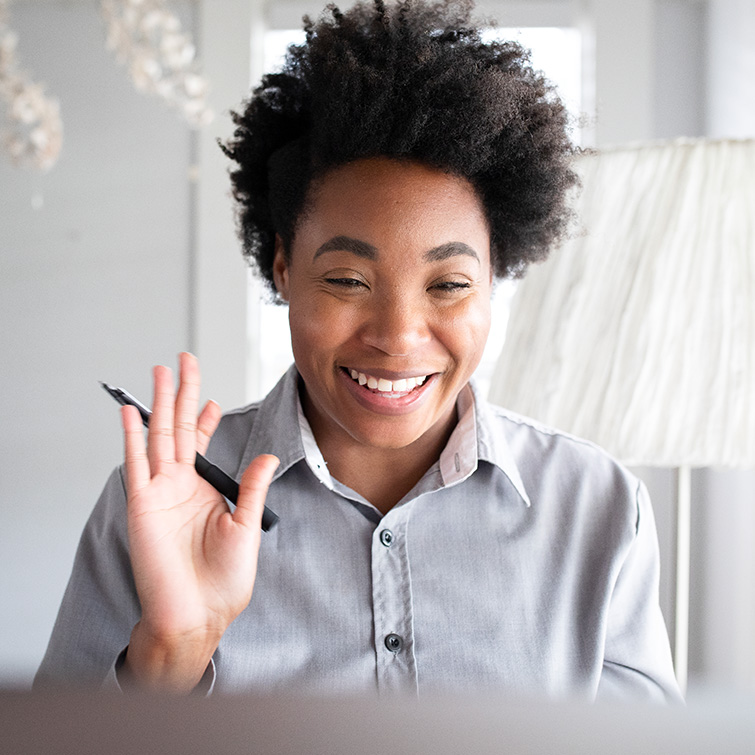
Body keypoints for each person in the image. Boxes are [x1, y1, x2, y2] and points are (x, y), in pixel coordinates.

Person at [36, 0, 682, 702]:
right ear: (283, 266)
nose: (398, 335)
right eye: (347, 279)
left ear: (493, 280)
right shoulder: (161, 500)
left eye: (449, 283)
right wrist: (170, 652)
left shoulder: (597, 506)